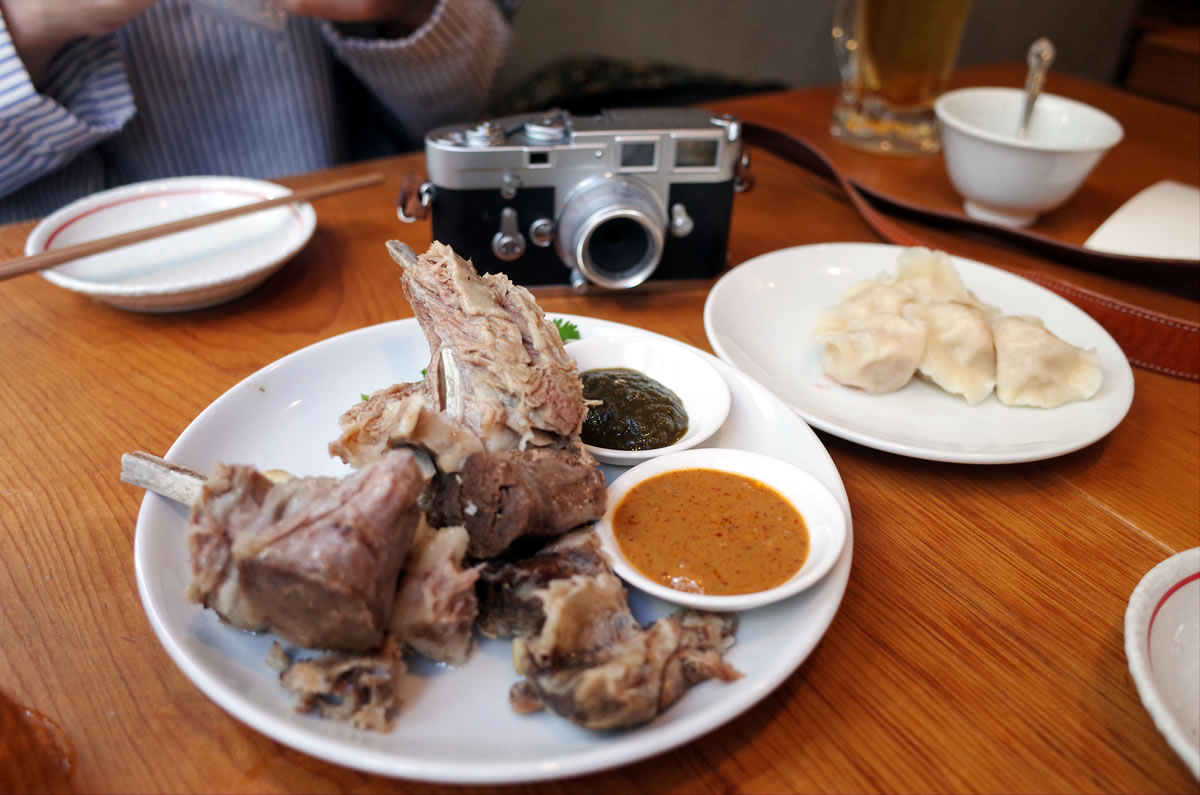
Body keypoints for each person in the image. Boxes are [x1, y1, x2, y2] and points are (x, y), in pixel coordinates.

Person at [0, 0, 518, 222]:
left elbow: (466, 117)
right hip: (31, 314)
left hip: (332, 253)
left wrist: (408, 11)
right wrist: (27, 25)